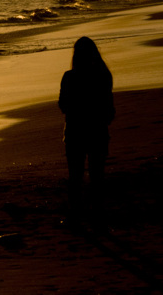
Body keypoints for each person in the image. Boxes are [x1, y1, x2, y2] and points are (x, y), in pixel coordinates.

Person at [58, 36, 115, 221]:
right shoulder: (104, 76)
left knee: (75, 176)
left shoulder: (69, 77)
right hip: (97, 131)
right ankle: (97, 211)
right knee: (97, 174)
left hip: (75, 132)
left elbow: (63, 106)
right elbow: (109, 108)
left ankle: (77, 213)